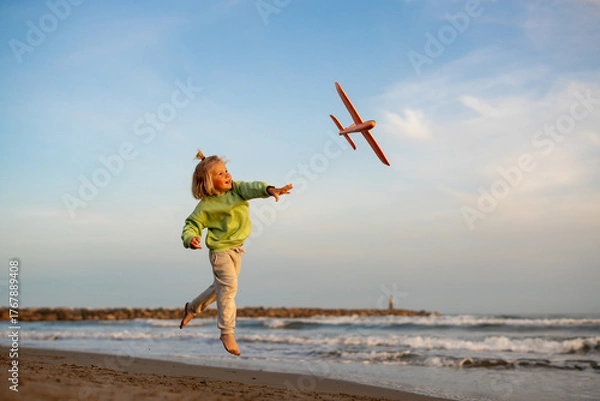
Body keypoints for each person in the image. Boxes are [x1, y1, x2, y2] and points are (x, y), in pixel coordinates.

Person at [179, 150, 292, 356]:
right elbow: (191, 225)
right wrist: (190, 238)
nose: (227, 176)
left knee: (219, 289)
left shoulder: (237, 190)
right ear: (207, 183)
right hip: (220, 251)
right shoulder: (204, 207)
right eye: (220, 174)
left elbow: (252, 187)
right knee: (229, 287)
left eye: (227, 171)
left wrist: (270, 190)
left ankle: (192, 308)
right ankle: (227, 331)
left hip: (237, 250)